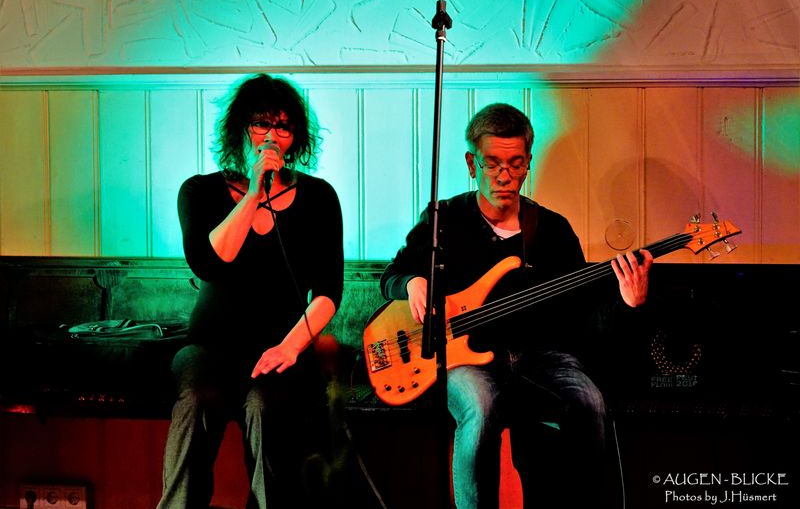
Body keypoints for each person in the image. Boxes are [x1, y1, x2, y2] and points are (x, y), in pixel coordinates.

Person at [380, 103, 653, 508]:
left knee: (589, 403)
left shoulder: (553, 230)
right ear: (472, 163)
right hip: (463, 356)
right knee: (480, 406)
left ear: (528, 164)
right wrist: (412, 282)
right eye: (492, 164)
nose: (504, 176)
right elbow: (391, 277)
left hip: (539, 356)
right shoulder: (444, 219)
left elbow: (583, 318)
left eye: (515, 163)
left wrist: (627, 303)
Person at [158, 73, 344, 509]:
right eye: (261, 124)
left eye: (283, 127)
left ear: (295, 138)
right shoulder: (200, 191)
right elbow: (210, 262)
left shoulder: (318, 197)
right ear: (240, 129)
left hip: (283, 349)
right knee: (196, 401)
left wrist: (290, 348)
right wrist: (253, 193)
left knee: (265, 407)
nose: (272, 137)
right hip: (209, 347)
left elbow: (328, 291)